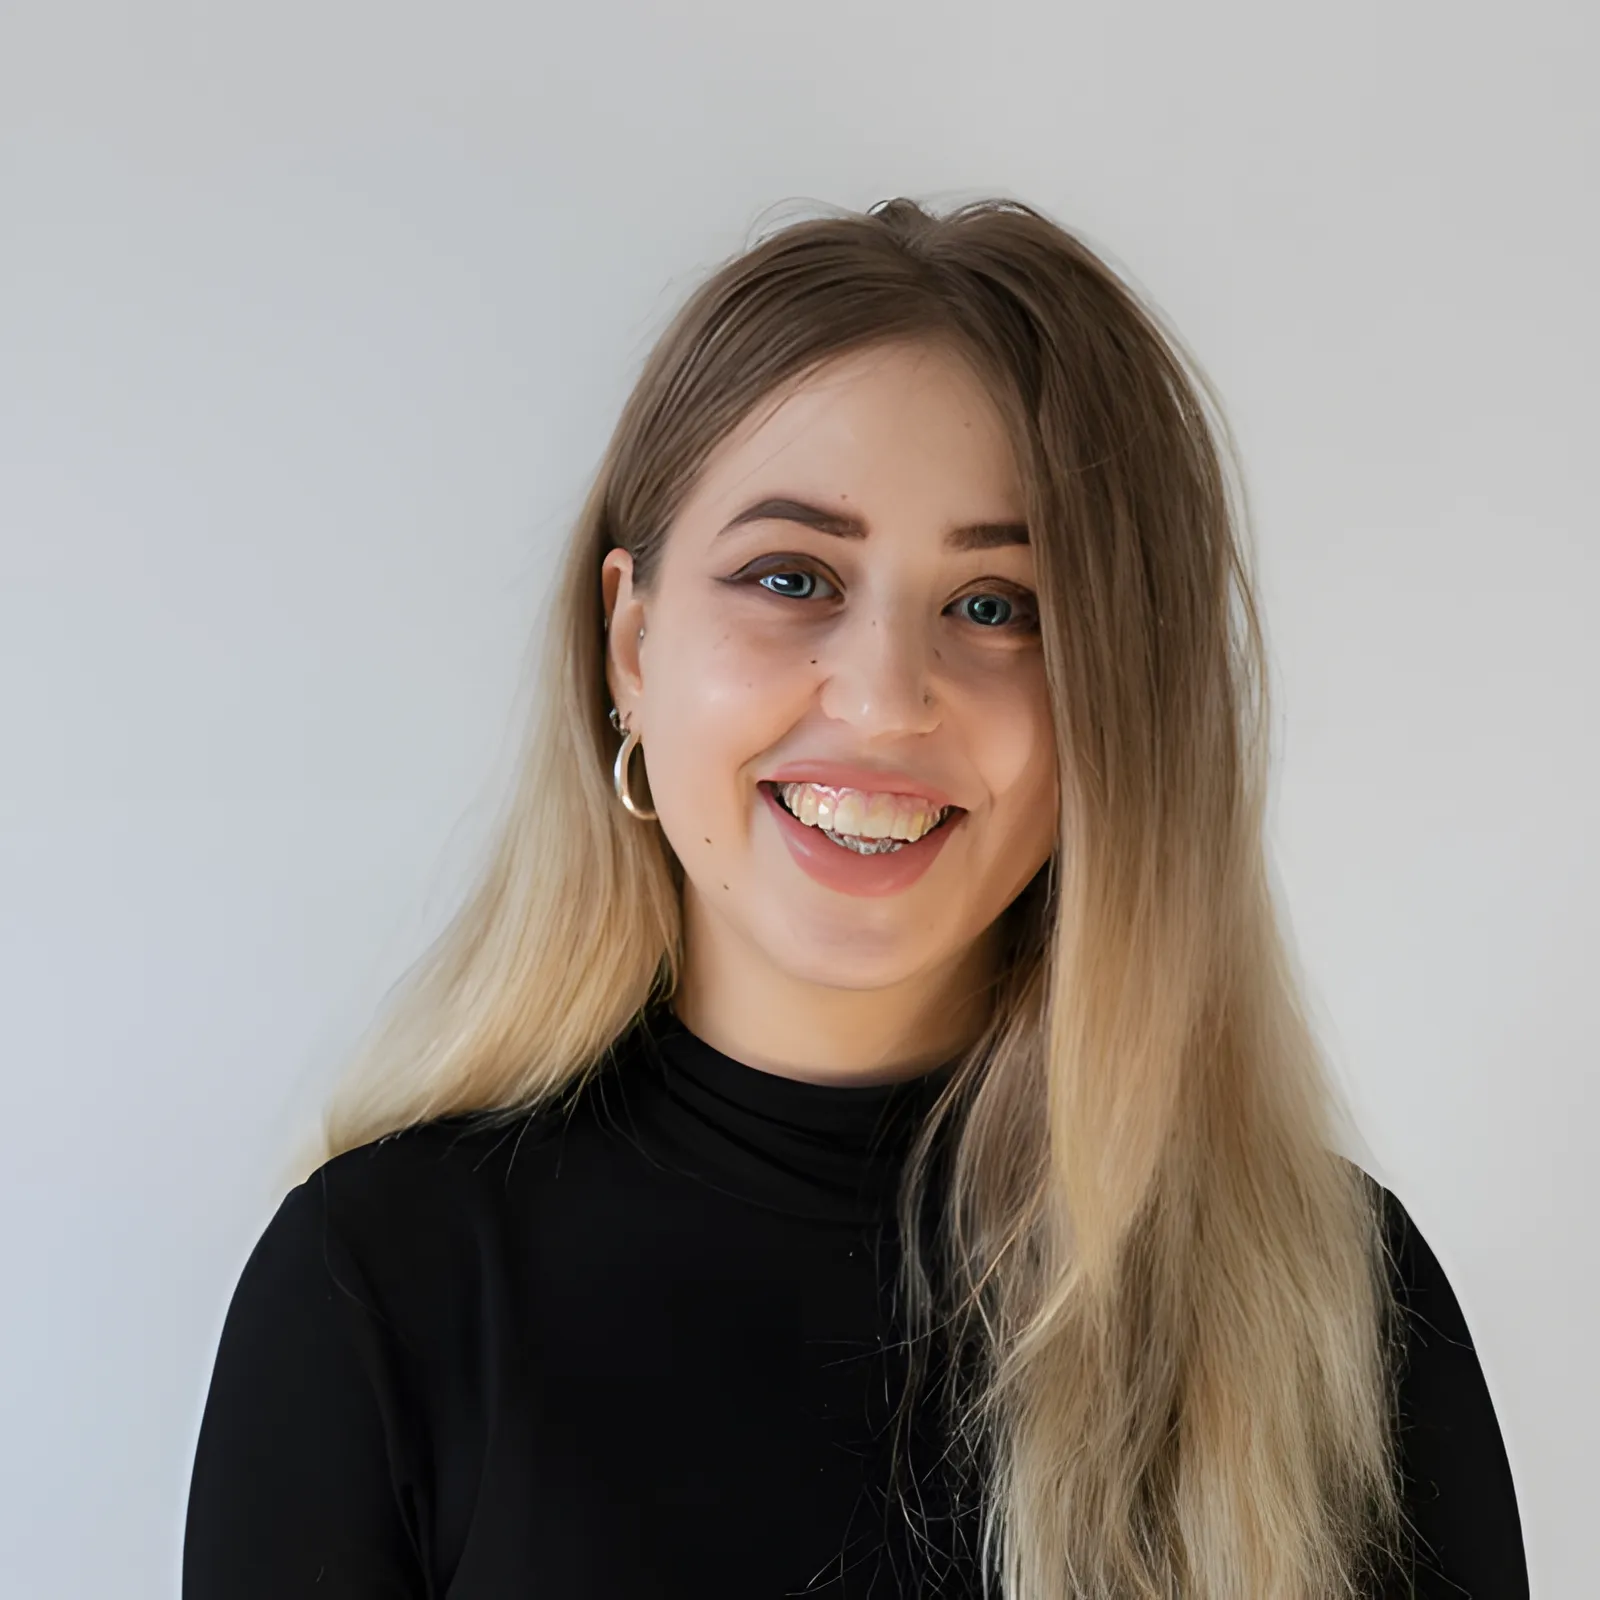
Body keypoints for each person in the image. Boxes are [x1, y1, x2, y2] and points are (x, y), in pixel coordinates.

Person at [182, 196, 1527, 1598]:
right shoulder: (374, 1291)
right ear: (632, 642)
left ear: (1122, 707)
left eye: (999, 604)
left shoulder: (1337, 1312)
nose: (885, 699)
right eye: (792, 577)